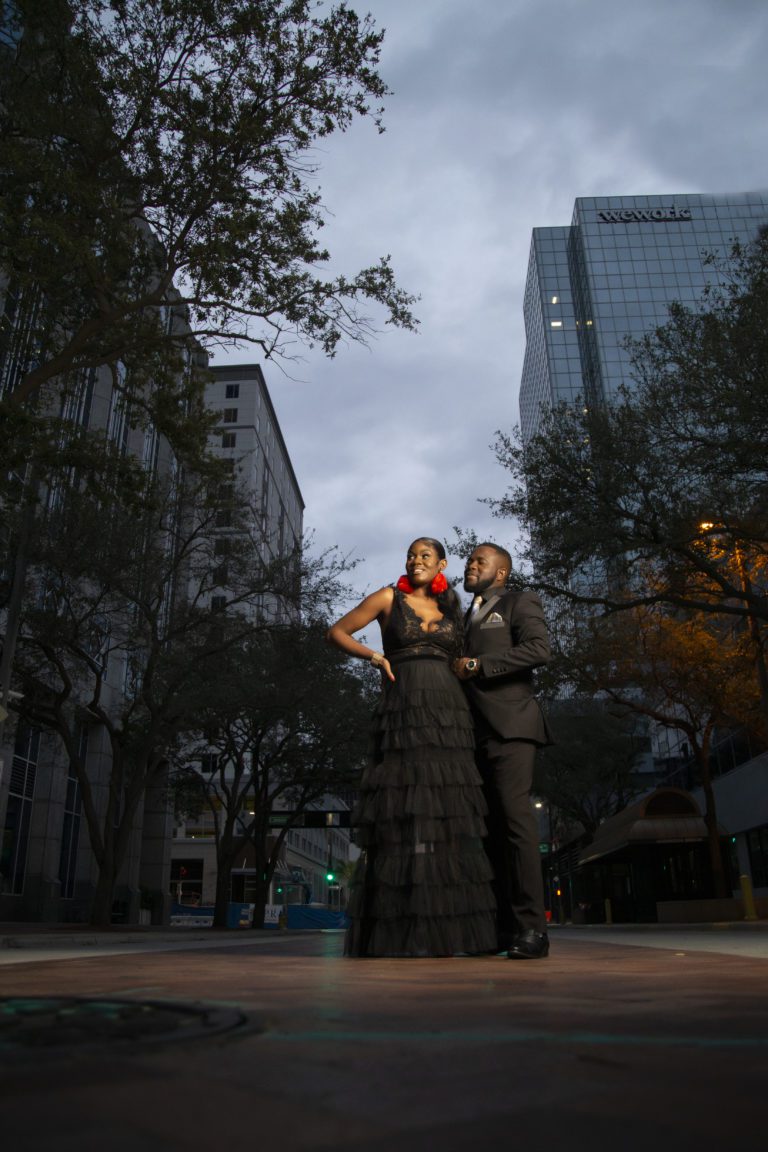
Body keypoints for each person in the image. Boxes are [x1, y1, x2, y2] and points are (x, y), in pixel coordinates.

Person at [326, 537, 497, 957]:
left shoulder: (453, 611)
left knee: (445, 816)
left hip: (449, 715)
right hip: (403, 711)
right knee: (403, 813)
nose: (416, 560)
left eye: (425, 555)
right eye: (411, 555)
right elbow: (337, 631)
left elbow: (467, 662)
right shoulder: (389, 597)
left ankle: (447, 930)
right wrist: (373, 657)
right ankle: (403, 929)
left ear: (441, 564)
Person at [454, 543, 552, 959]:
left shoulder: (518, 601)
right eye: (469, 560)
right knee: (490, 833)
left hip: (512, 726)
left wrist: (477, 666)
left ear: (501, 572)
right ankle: (502, 929)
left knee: (516, 826)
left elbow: (539, 650)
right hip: (473, 732)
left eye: (480, 561)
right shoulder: (465, 615)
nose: (471, 564)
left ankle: (534, 930)